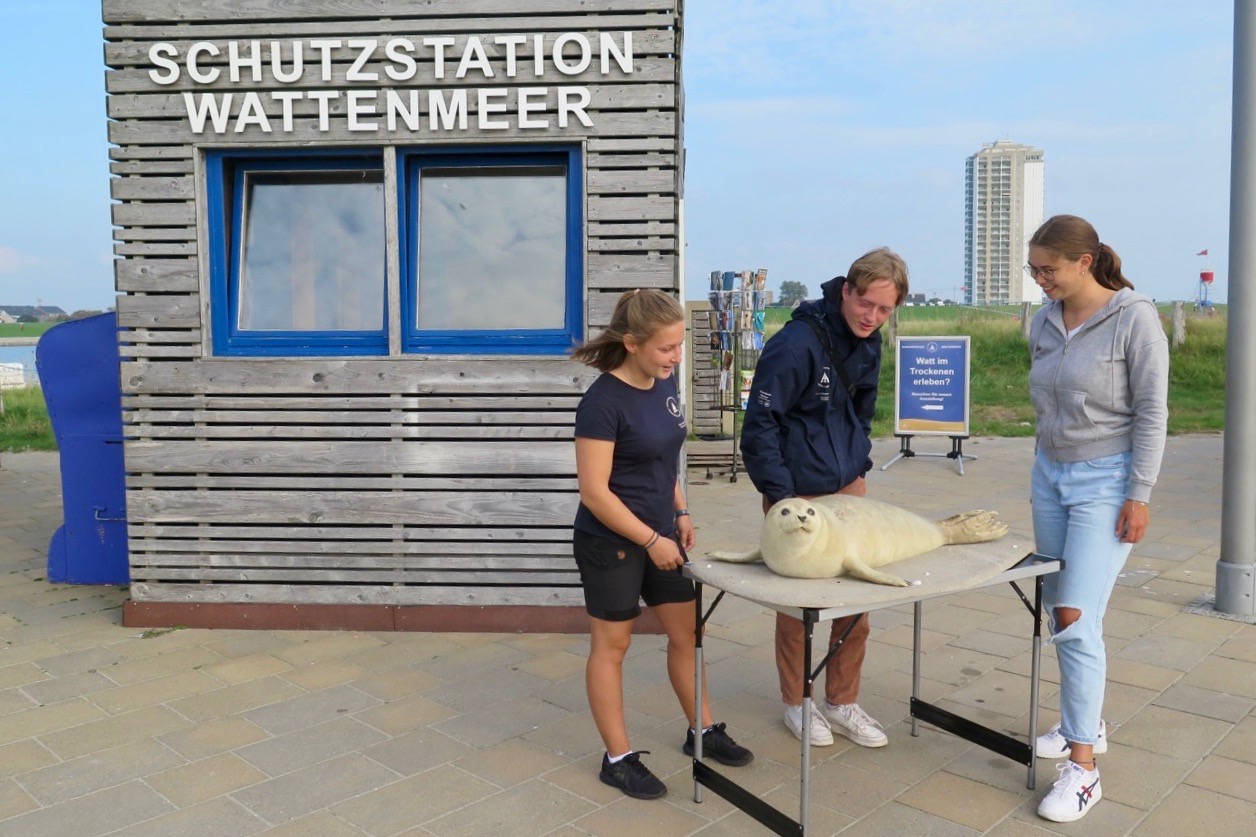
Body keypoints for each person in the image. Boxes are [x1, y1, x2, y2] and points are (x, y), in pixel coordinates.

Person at [571, 288, 753, 801]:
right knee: (614, 645)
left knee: (687, 633)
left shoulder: (662, 386)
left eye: (679, 346)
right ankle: (618, 758)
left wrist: (681, 510)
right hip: (613, 543)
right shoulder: (602, 402)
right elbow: (594, 491)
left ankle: (702, 729)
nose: (676, 357)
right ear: (631, 343)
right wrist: (652, 539)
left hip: (661, 534)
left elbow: (662, 459)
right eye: (666, 348)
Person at [1025, 215, 1169, 823]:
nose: (1039, 281)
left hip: (1106, 483)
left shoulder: (1135, 319)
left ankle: (1083, 769)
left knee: (1073, 616)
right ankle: (1084, 721)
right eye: (1033, 270)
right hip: (1049, 477)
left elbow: (1153, 410)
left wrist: (1139, 492)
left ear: (1084, 262)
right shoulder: (1044, 320)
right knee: (1062, 608)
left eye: (1048, 270)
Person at [740, 248, 909, 748]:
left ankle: (842, 702)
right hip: (796, 494)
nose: (872, 318)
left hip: (848, 489)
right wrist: (780, 496)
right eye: (866, 305)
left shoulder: (870, 341)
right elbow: (760, 425)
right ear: (846, 292)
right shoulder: (794, 345)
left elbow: (863, 410)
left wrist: (858, 467)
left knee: (856, 602)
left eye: (884, 311)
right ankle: (799, 703)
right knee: (800, 608)